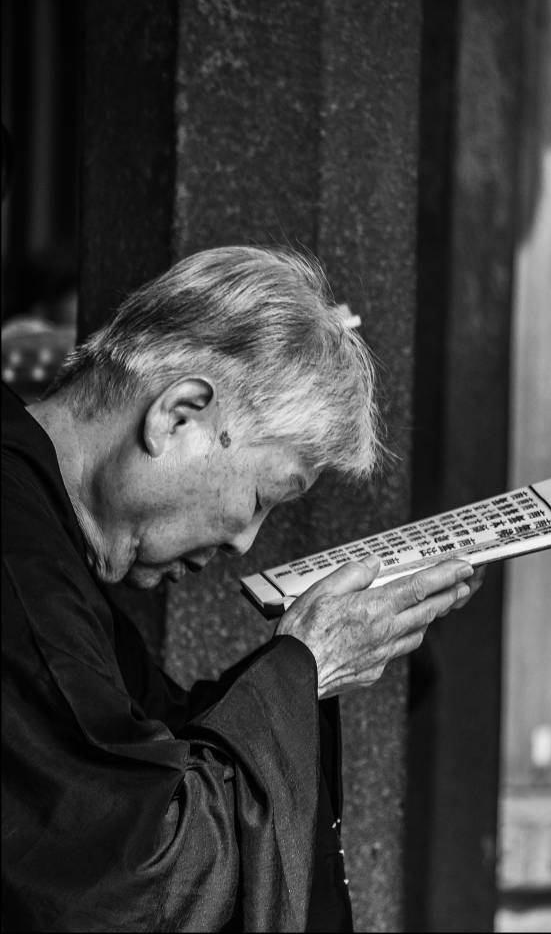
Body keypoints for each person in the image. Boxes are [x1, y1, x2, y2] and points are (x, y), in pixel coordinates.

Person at [2, 245, 483, 932]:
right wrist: (297, 668)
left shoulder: (44, 523)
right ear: (179, 414)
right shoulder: (19, 560)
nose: (244, 542)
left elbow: (159, 739)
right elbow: (136, 872)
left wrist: (309, 671)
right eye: (261, 496)